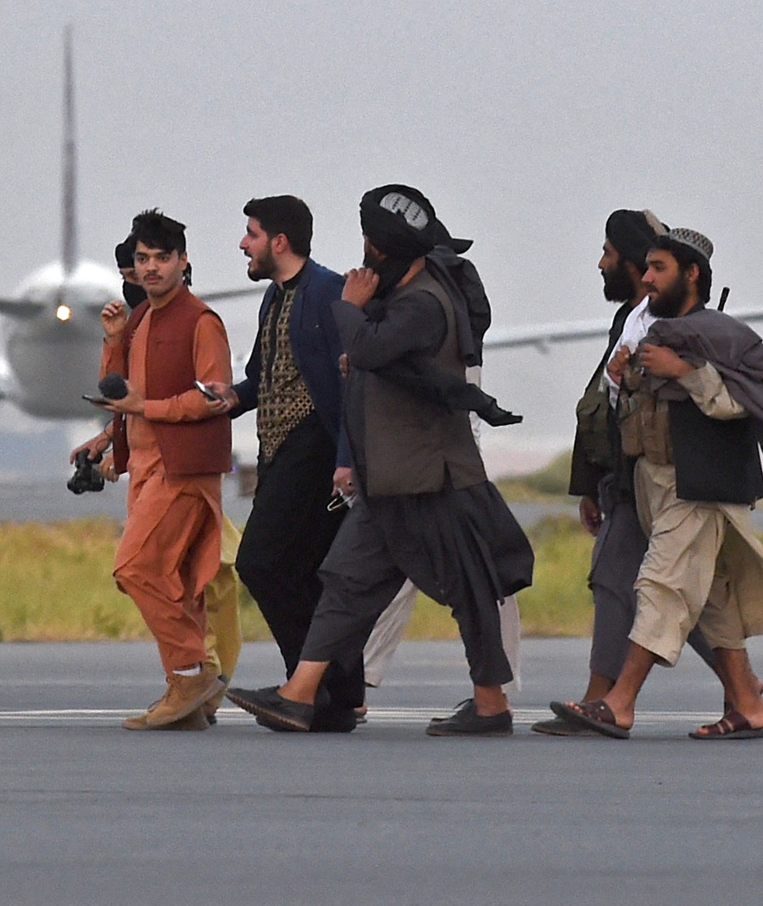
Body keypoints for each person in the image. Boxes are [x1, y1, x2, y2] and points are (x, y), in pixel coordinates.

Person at [227, 185, 533, 736]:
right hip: (388, 476)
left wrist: (348, 310)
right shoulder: (400, 298)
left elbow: (370, 349)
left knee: (468, 589)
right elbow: (374, 359)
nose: (363, 254)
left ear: (382, 249)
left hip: (429, 477)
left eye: (369, 243)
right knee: (344, 582)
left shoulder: (425, 302)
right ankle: (300, 693)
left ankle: (491, 704)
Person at [555, 227, 763, 741]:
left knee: (660, 586)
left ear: (692, 274)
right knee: (711, 601)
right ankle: (749, 706)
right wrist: (623, 379)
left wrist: (685, 370)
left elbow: (744, 404)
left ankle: (618, 704)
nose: (649, 278)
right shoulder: (649, 332)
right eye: (648, 267)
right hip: (651, 484)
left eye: (659, 269)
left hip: (696, 487)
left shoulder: (725, 337)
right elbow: (628, 413)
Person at [532, 209, 737, 737]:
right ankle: (747, 694)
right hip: (633, 481)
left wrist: (681, 372)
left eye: (610, 254)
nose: (603, 264)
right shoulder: (633, 321)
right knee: (687, 593)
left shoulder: (691, 330)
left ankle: (608, 701)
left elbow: (736, 398)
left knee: (635, 584)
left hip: (675, 481)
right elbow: (606, 405)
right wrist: (592, 483)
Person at [73, 234, 242, 716]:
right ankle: (192, 694)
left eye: (161, 258)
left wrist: (144, 408)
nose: (149, 269)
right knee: (180, 580)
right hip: (146, 465)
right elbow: (123, 391)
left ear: (183, 261)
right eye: (142, 260)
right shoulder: (142, 317)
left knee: (136, 567)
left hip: (183, 466)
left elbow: (215, 397)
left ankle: (192, 675)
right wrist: (109, 434)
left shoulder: (201, 321)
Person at [212, 195, 357, 731]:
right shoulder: (274, 297)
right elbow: (266, 375)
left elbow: (349, 385)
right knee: (310, 573)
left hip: (314, 449)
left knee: (261, 563)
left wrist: (347, 457)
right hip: (277, 450)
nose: (243, 244)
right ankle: (336, 695)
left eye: (250, 234)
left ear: (279, 241)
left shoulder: (327, 291)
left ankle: (309, 686)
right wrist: (230, 399)